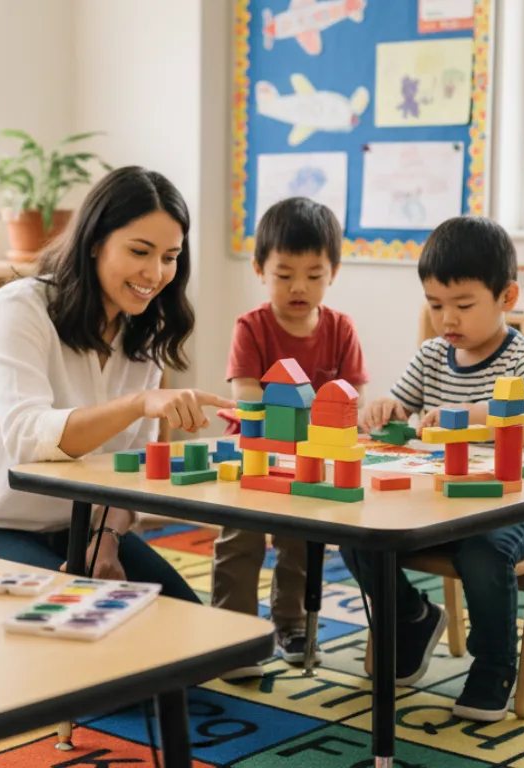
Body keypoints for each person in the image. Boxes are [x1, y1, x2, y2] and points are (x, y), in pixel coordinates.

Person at [0, 166, 235, 601]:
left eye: (170, 257)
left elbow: (129, 470)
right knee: (84, 615)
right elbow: (29, 439)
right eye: (140, 251)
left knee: (196, 630)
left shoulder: (144, 332)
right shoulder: (20, 308)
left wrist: (106, 539)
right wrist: (138, 403)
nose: (155, 274)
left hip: (73, 529)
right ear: (96, 241)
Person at [354, 215, 524, 722]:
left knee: (483, 552)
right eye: (435, 304)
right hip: (435, 506)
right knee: (356, 532)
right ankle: (411, 616)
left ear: (506, 297)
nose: (448, 319)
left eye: (463, 305)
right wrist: (382, 409)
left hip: (509, 511)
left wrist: (473, 415)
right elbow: (395, 413)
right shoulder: (431, 357)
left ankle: (494, 663)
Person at [213, 196, 368, 676]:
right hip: (255, 454)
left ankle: (291, 623)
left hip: (311, 460)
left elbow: (354, 394)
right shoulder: (252, 327)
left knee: (302, 541)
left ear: (333, 272)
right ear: (260, 269)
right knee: (242, 541)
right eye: (284, 275)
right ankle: (233, 631)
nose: (299, 287)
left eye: (314, 274)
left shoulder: (341, 329)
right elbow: (245, 392)